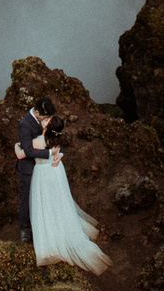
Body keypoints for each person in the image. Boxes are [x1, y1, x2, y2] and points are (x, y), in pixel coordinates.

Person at [28, 115, 109, 274]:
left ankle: (50, 236)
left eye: (46, 121)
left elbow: (25, 152)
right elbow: (56, 149)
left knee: (45, 204)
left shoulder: (38, 141)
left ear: (48, 127)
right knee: (59, 202)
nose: (43, 121)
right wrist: (60, 155)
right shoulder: (56, 138)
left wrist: (18, 146)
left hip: (44, 174)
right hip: (56, 172)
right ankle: (62, 227)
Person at [13, 98, 53, 242]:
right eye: (45, 116)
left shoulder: (46, 119)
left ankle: (41, 224)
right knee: (27, 196)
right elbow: (28, 151)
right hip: (28, 167)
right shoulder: (24, 124)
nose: (47, 119)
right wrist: (49, 153)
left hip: (43, 167)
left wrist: (59, 152)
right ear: (36, 112)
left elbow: (56, 136)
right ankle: (25, 229)